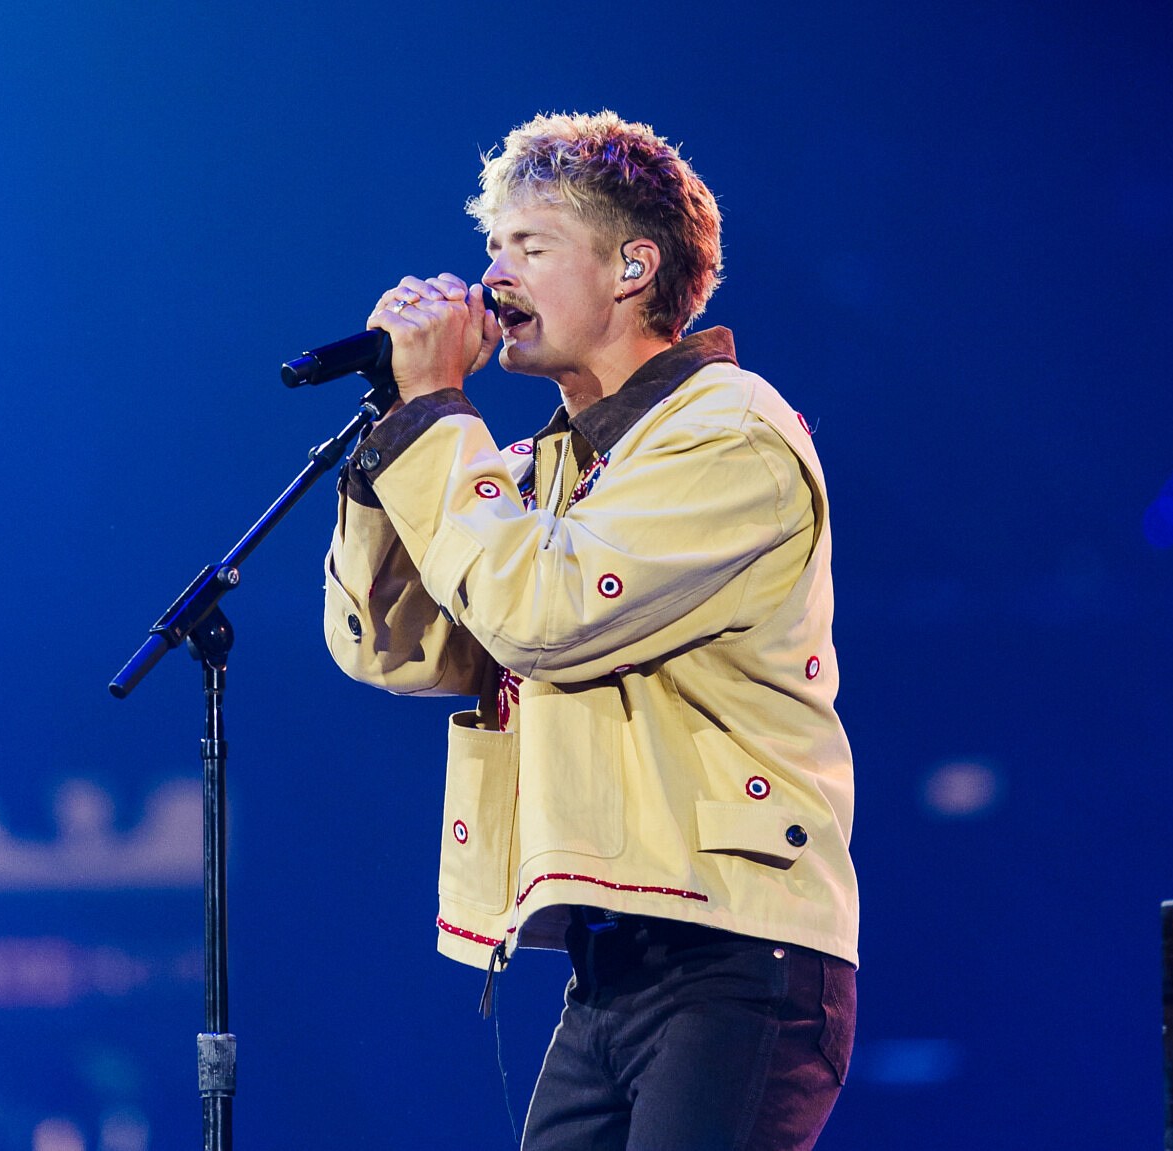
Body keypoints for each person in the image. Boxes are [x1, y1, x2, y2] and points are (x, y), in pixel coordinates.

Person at [321, 111, 857, 1151]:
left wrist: (439, 420)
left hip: (740, 949)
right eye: (492, 247)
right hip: (612, 964)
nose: (491, 276)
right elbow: (390, 645)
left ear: (631, 265)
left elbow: (539, 612)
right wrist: (396, 430)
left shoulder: (727, 432)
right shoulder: (539, 469)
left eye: (529, 244)